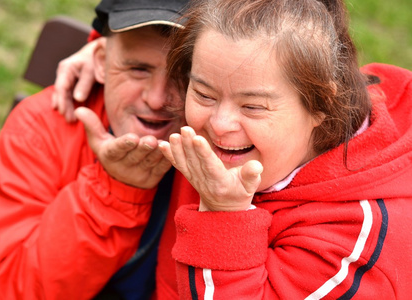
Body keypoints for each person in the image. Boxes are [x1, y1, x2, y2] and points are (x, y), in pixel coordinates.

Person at [153, 0, 412, 298]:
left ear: (321, 105)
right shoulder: (209, 134)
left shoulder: (357, 243)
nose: (220, 124)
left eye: (252, 106)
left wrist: (223, 215)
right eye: (204, 94)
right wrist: (105, 49)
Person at [0, 0, 190, 299]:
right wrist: (115, 192)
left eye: (183, 74)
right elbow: (11, 288)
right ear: (100, 61)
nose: (157, 99)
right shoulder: (42, 125)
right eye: (138, 69)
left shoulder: (231, 154)